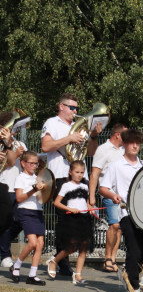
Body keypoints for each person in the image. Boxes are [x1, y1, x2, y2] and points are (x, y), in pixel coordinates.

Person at [99, 130, 143, 292]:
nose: (135, 146)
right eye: (132, 142)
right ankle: (132, 288)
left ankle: (129, 271)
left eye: (138, 143)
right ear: (124, 144)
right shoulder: (116, 166)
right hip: (126, 213)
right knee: (135, 248)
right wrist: (113, 195)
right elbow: (103, 188)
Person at [41, 94, 95, 276]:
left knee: (83, 221)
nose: (75, 111)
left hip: (82, 176)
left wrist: (93, 136)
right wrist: (69, 138)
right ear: (61, 106)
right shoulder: (52, 122)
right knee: (66, 221)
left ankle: (68, 262)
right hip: (62, 176)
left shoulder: (80, 126)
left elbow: (91, 151)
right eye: (72, 108)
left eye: (77, 108)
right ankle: (61, 261)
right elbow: (45, 147)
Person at [89, 122, 126, 275]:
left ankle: (113, 257)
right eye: (126, 134)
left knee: (120, 228)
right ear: (118, 135)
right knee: (115, 225)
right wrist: (91, 198)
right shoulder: (103, 150)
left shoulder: (124, 150)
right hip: (108, 193)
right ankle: (107, 258)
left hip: (123, 195)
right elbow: (95, 174)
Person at [48, 160, 93, 285]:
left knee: (84, 247)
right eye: (77, 172)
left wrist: (90, 209)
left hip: (84, 219)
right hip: (72, 219)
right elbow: (56, 202)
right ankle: (54, 261)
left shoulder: (85, 186)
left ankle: (78, 275)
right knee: (71, 246)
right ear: (70, 172)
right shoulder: (66, 185)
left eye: (82, 173)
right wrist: (70, 209)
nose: (79, 175)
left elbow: (87, 202)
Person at [11, 151, 47, 285]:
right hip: (25, 211)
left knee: (40, 244)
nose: (34, 166)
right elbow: (19, 198)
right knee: (32, 243)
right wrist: (34, 189)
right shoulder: (21, 178)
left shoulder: (37, 178)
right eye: (31, 163)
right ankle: (16, 266)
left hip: (38, 211)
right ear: (23, 163)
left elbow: (43, 197)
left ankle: (32, 275)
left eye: (36, 163)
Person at [0, 121, 26, 267]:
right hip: (6, 186)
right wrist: (12, 150)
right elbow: (9, 162)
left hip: (20, 187)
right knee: (5, 222)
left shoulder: (20, 143)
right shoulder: (3, 144)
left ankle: (3, 245)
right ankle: (5, 254)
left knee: (21, 220)